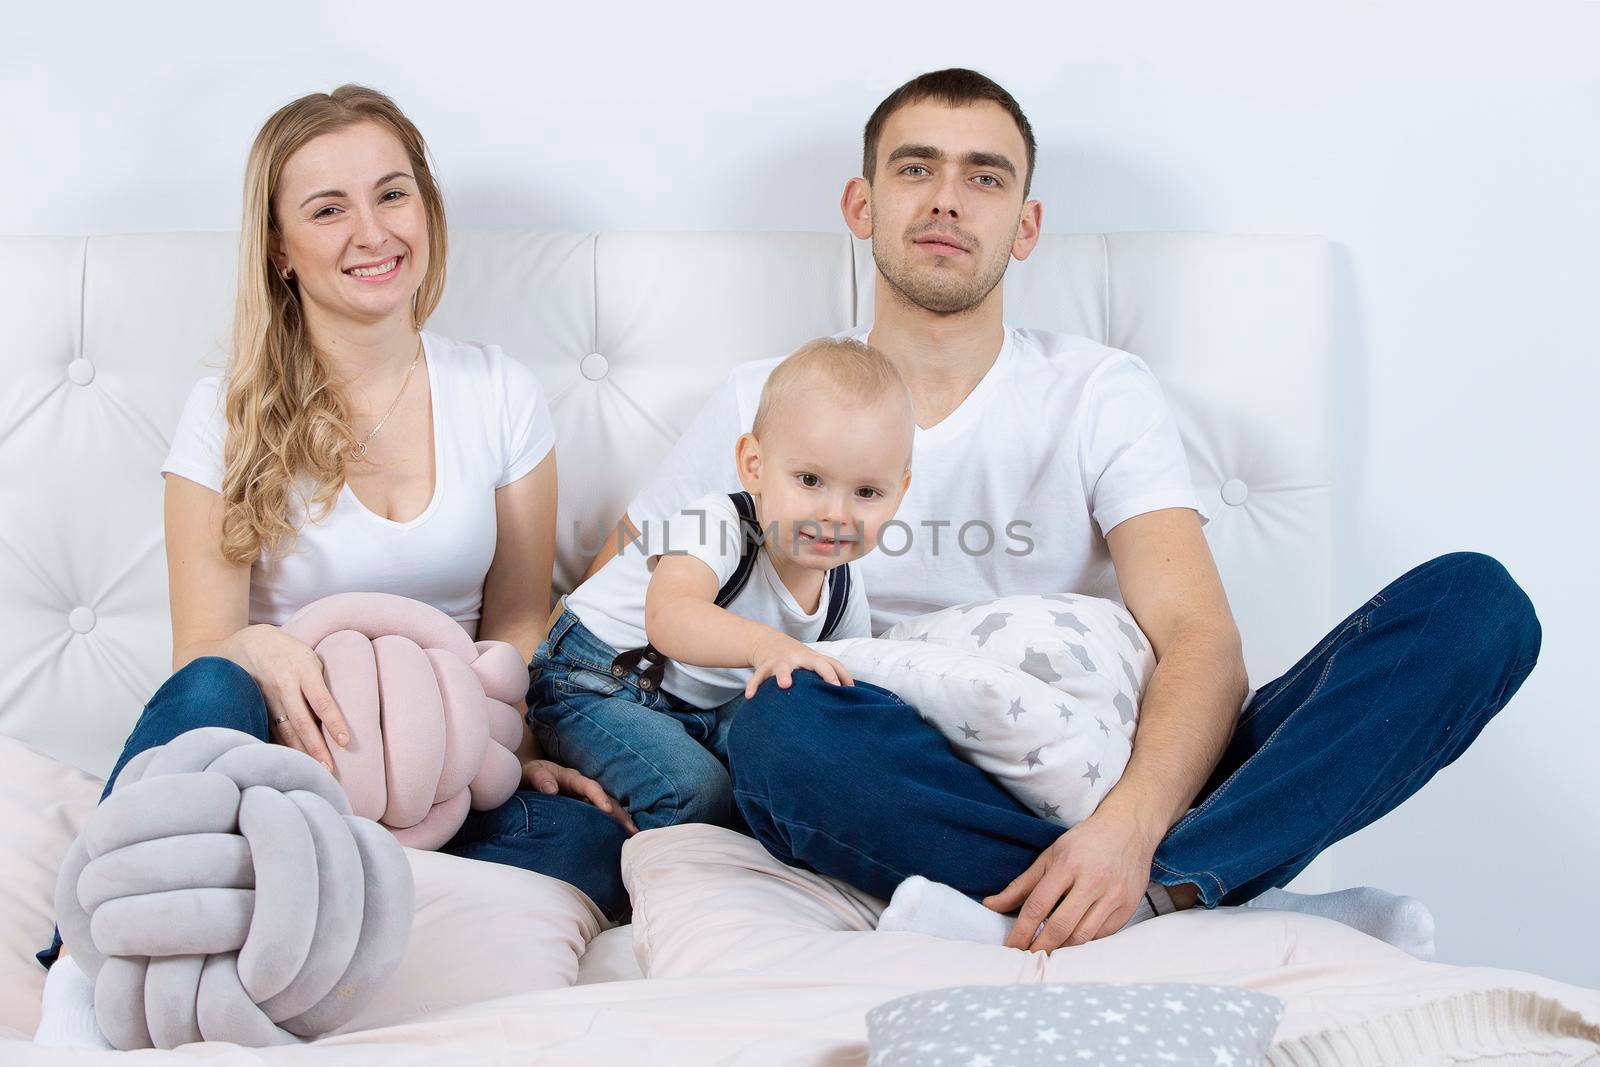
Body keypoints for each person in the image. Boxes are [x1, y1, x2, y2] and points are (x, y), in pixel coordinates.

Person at [587, 69, 1541, 959]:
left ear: (1028, 224)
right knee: (778, 727)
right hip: (894, 776)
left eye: (985, 177)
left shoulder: (1096, 391)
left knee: (1476, 605)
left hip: (1123, 773)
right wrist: (557, 736)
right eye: (915, 168)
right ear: (862, 205)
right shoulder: (762, 396)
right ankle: (1200, 903)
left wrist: (1128, 829)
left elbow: (1199, 639)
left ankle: (1135, 889)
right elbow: (608, 610)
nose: (948, 199)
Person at [34, 85, 633, 1049]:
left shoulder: (498, 393)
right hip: (278, 770)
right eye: (327, 208)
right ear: (279, 246)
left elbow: (521, 619)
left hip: (439, 772)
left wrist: (507, 748)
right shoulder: (222, 414)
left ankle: (324, 917)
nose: (372, 232)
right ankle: (80, 970)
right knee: (213, 687)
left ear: (426, 209)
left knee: (595, 845)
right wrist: (263, 651)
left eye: (393, 195)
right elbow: (201, 647)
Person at [530, 338, 914, 830]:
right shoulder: (720, 523)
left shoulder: (841, 592)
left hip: (699, 708)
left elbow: (844, 682)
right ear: (754, 465)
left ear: (898, 494)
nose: (834, 515)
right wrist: (766, 647)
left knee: (792, 770)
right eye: (810, 480)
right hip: (595, 681)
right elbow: (670, 618)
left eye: (866, 492)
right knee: (696, 792)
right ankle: (600, 830)